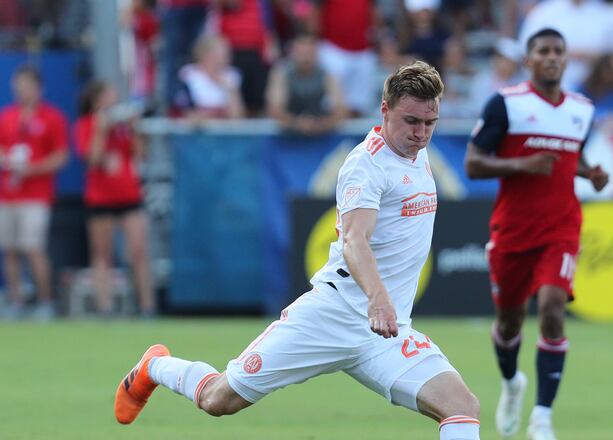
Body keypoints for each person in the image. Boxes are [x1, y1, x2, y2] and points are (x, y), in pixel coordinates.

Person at [114, 60, 482, 440]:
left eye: (430, 123)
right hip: (334, 315)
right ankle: (154, 367)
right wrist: (377, 299)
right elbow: (355, 240)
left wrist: (384, 308)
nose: (421, 133)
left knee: (461, 407)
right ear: (384, 110)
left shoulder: (417, 152)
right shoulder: (366, 167)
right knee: (218, 400)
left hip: (387, 333)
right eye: (411, 122)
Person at [464, 29, 609, 440]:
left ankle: (543, 417)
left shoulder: (581, 109)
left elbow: (570, 157)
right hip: (512, 230)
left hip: (561, 227)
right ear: (528, 60)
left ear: (566, 60)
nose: (551, 57)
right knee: (509, 323)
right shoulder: (506, 104)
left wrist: (590, 173)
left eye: (558, 51)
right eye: (543, 51)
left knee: (551, 308)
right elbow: (473, 164)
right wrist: (521, 166)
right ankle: (512, 384)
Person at [74, 82, 155, 317]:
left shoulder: (124, 126)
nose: (114, 101)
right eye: (108, 96)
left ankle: (147, 307)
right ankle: (105, 308)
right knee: (102, 254)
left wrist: (135, 129)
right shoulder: (86, 124)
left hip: (129, 194)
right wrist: (101, 129)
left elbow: (141, 155)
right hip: (100, 197)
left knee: (139, 251)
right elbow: (92, 159)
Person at [0, 66, 69, 320]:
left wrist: (32, 168)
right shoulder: (7, 116)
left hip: (36, 196)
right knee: (9, 250)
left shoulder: (52, 117)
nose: (22, 91)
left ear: (39, 88)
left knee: (33, 248)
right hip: (8, 195)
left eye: (27, 86)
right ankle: (15, 302)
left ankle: (45, 301)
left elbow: (61, 156)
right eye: (18, 86)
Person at [265, 33, 348, 136]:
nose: (306, 58)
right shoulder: (281, 73)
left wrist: (320, 124)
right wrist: (296, 123)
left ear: (317, 53)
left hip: (321, 133)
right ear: (292, 52)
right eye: (301, 53)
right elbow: (274, 109)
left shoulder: (328, 74)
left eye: (310, 53)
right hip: (286, 136)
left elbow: (341, 111)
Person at [171, 35, 245, 120]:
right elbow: (187, 114)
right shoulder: (188, 74)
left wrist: (230, 89)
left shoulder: (232, 75)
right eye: (221, 55)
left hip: (225, 129)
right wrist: (218, 114)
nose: (227, 59)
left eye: (227, 55)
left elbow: (237, 117)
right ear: (205, 55)